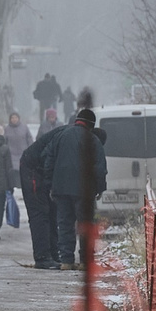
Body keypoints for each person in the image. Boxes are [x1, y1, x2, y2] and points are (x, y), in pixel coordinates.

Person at [46, 103, 108, 271]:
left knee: (65, 224)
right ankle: (84, 262)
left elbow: (49, 162)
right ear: (91, 124)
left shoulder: (60, 136)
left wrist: (51, 185)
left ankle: (66, 261)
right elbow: (100, 169)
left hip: (61, 189)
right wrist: (100, 189)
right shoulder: (93, 140)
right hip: (84, 191)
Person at [18, 120, 59, 270]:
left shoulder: (71, 136)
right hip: (33, 170)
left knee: (52, 213)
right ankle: (42, 257)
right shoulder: (68, 138)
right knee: (40, 214)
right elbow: (48, 158)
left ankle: (54, 254)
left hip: (43, 172)